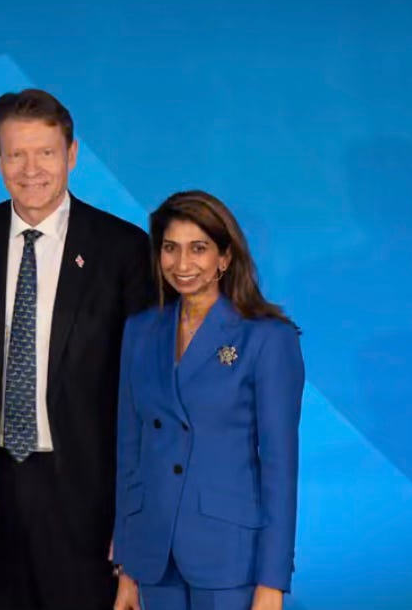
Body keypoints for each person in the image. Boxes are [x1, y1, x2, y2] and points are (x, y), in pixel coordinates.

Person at [0, 89, 154, 610]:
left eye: (46, 152)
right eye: (16, 154)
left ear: (72, 154)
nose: (31, 169)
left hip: (88, 504)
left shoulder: (122, 248)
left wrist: (134, 517)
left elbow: (145, 396)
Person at [112, 191, 304, 610]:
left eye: (198, 248)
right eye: (170, 248)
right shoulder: (141, 331)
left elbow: (280, 467)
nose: (182, 264)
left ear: (225, 257)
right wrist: (127, 564)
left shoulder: (267, 338)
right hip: (153, 554)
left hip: (230, 557)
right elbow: (131, 453)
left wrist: (272, 581)